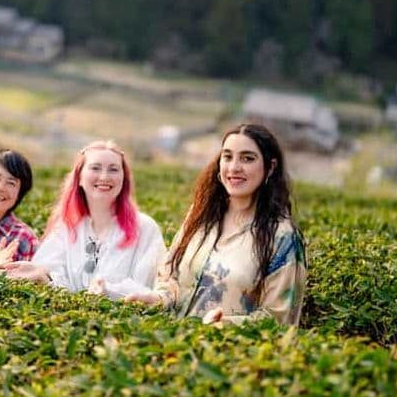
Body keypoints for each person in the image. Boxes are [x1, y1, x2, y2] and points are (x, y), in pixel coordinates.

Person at [127, 124, 307, 326]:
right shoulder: (202, 214)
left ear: (270, 167)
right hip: (174, 346)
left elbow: (280, 319)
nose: (234, 167)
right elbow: (170, 274)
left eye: (248, 158)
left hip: (227, 353)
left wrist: (226, 325)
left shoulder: (283, 237)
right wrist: (159, 299)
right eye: (228, 157)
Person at [0, 140, 166, 300]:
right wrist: (42, 275)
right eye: (95, 168)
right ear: (79, 178)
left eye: (113, 169)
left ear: (124, 179)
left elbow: (151, 288)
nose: (104, 177)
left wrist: (110, 291)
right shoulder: (66, 226)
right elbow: (50, 276)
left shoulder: (145, 228)